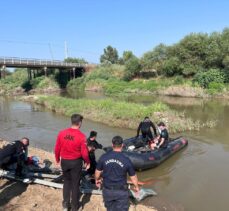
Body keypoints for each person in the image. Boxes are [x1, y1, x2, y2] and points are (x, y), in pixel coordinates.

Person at [54, 114, 90, 211]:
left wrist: (57, 159)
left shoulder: (62, 133)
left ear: (72, 121)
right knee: (75, 184)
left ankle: (65, 205)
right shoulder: (82, 136)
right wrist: (88, 162)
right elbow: (84, 152)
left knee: (67, 182)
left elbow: (57, 148)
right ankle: (75, 207)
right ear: (80, 123)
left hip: (64, 161)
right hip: (76, 162)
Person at [95, 136, 139, 211]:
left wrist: (97, 179)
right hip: (121, 191)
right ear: (122, 145)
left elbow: (97, 172)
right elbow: (133, 176)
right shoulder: (126, 159)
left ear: (112, 145)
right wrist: (136, 186)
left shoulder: (104, 157)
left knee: (110, 209)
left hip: (107, 190)